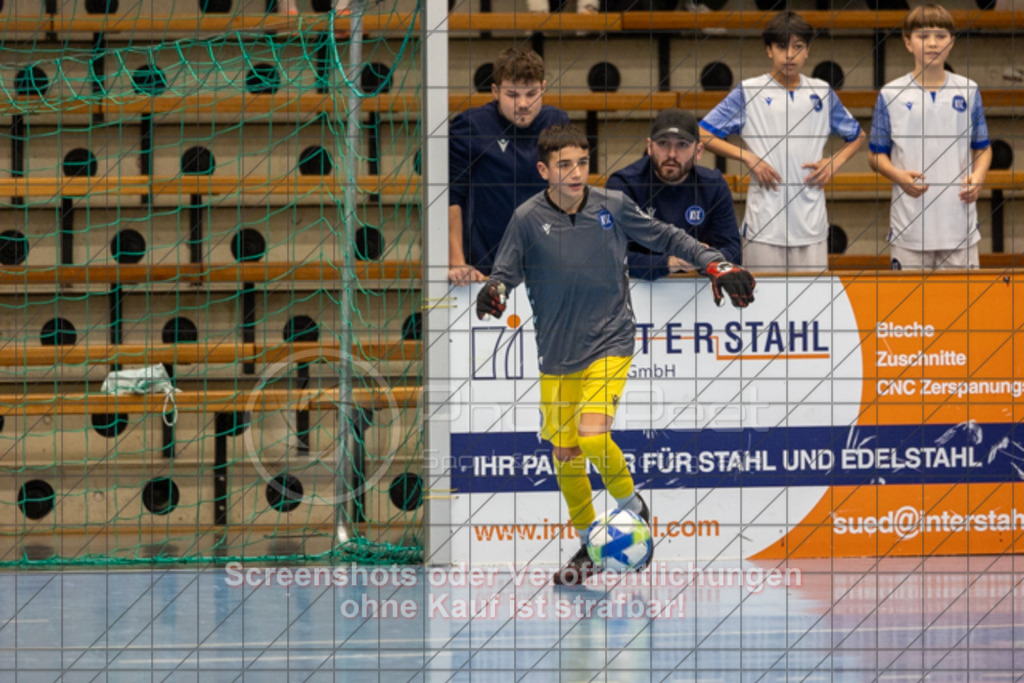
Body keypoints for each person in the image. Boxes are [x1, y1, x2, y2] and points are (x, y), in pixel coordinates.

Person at [475, 124, 755, 585]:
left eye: (583, 163)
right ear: (544, 169)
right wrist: (495, 290)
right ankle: (590, 542)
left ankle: (631, 505)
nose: (576, 172)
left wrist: (716, 262)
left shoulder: (613, 206)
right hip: (557, 352)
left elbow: (670, 237)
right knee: (564, 455)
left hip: (611, 339)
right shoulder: (526, 218)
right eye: (564, 165)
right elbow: (505, 273)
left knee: (590, 438)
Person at [699, 11, 865, 271]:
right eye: (781, 46)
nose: (790, 55)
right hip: (764, 224)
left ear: (807, 51)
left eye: (798, 47)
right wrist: (748, 157)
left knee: (812, 307)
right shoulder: (749, 91)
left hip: (811, 223)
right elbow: (702, 133)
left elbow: (857, 136)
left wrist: (834, 162)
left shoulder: (822, 91)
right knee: (764, 306)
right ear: (769, 50)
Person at [868, 4, 992, 270]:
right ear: (908, 42)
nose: (933, 43)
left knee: (964, 309)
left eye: (941, 36)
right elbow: (876, 155)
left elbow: (982, 147)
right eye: (923, 36)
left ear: (952, 42)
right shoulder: (890, 94)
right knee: (909, 311)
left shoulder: (969, 90)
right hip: (909, 227)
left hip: (959, 226)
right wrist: (899, 176)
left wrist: (979, 176)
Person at [449, 47, 570, 285]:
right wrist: (457, 261)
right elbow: (452, 198)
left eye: (531, 93)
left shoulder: (557, 122)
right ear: (495, 91)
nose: (523, 104)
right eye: (512, 95)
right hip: (484, 270)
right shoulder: (472, 126)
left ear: (543, 88)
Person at [607, 108, 741, 280]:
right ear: (649, 146)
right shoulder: (624, 185)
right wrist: (670, 263)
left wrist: (704, 261)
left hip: (698, 291)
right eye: (663, 143)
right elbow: (611, 257)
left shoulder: (713, 185)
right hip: (637, 289)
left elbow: (733, 252)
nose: (671, 154)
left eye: (682, 145)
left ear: (698, 151)